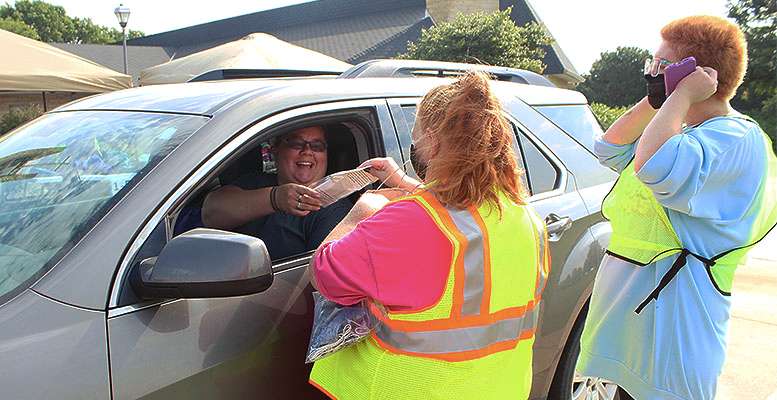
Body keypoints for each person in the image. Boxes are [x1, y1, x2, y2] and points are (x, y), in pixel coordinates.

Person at [306, 72, 550, 399]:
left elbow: (323, 273)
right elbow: (459, 217)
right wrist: (405, 184)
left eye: (416, 135)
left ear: (433, 142)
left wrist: (363, 211)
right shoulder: (526, 218)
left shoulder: (410, 222)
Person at [577, 16, 777, 400]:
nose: (652, 74)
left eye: (661, 67)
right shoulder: (682, 132)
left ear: (699, 75)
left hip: (675, 339)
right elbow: (609, 148)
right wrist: (661, 99)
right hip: (637, 335)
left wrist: (680, 95)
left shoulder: (734, 139)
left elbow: (654, 167)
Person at [198, 126, 351, 260]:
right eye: (296, 144)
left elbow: (321, 275)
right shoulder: (253, 182)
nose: (307, 151)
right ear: (275, 150)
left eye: (317, 146)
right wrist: (274, 199)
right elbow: (211, 213)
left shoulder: (336, 209)